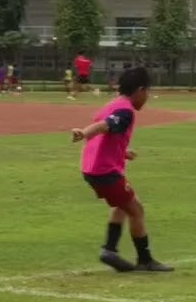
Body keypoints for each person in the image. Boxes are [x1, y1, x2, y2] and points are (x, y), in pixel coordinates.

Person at [71, 66, 173, 273]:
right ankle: (144, 260)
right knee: (136, 210)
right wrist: (84, 132)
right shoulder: (125, 111)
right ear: (141, 90)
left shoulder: (113, 104)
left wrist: (122, 151)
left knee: (122, 205)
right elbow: (104, 127)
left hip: (92, 168)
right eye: (148, 92)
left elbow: (108, 135)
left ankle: (110, 250)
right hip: (104, 170)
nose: (148, 97)